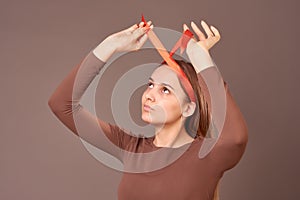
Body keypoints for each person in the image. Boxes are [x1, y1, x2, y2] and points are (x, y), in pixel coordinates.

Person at [48, 19, 248, 200]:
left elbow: (236, 139)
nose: (150, 95)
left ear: (188, 108)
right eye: (151, 84)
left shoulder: (208, 155)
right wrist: (109, 46)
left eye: (165, 90)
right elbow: (61, 105)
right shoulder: (130, 148)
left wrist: (201, 60)